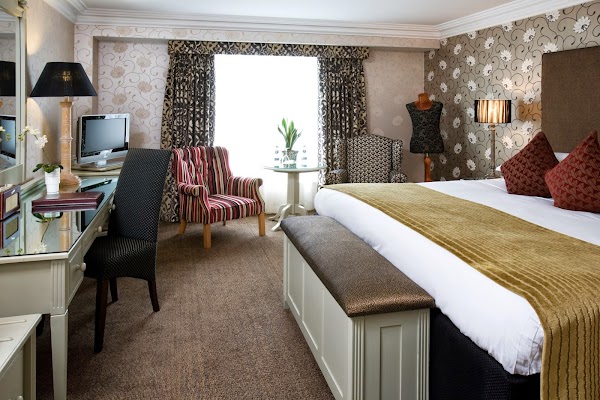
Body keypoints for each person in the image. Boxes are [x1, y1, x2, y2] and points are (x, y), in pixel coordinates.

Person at [406, 93, 444, 181]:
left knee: (428, 163)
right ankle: (427, 179)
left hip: (435, 140)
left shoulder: (438, 106)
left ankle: (428, 179)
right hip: (417, 140)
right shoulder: (410, 106)